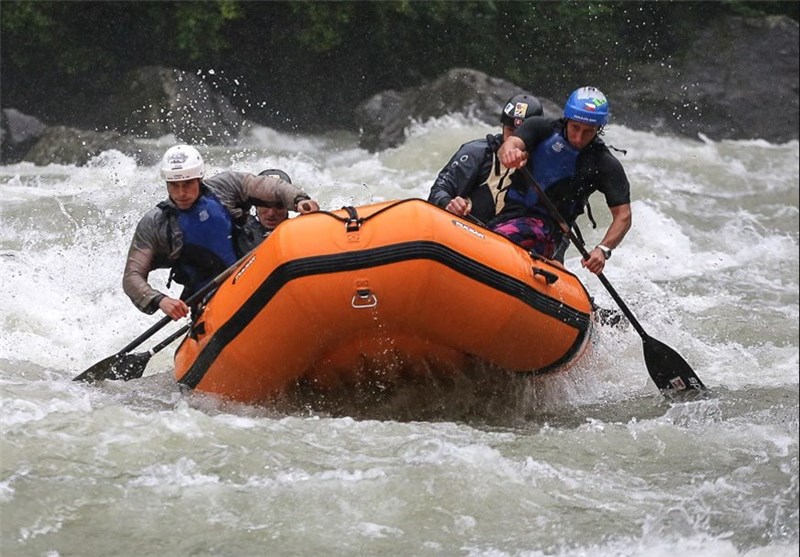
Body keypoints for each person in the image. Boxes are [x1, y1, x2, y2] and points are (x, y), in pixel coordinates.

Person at [122, 145, 320, 320]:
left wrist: (298, 199)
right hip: (211, 301)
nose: (181, 193)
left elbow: (268, 186)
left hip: (254, 277)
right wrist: (160, 300)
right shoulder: (155, 223)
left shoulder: (225, 186)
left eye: (187, 184)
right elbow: (132, 277)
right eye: (174, 185)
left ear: (199, 179)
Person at [491, 86, 632, 275]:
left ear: (599, 129)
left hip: (548, 231)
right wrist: (510, 152)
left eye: (588, 131)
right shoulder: (540, 128)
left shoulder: (604, 163)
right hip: (509, 215)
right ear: (566, 119)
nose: (578, 138)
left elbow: (623, 215)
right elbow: (510, 144)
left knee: (511, 237)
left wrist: (603, 249)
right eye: (575, 127)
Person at [427, 94, 543, 225]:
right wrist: (448, 203)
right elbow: (438, 190)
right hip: (465, 230)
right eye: (510, 130)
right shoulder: (475, 153)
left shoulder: (545, 167)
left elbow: (559, 227)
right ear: (503, 127)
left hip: (509, 240)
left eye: (522, 133)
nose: (514, 138)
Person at [245, 168, 293, 239]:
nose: (271, 213)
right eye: (265, 205)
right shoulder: (240, 230)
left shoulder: (299, 231)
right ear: (256, 205)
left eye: (279, 206)